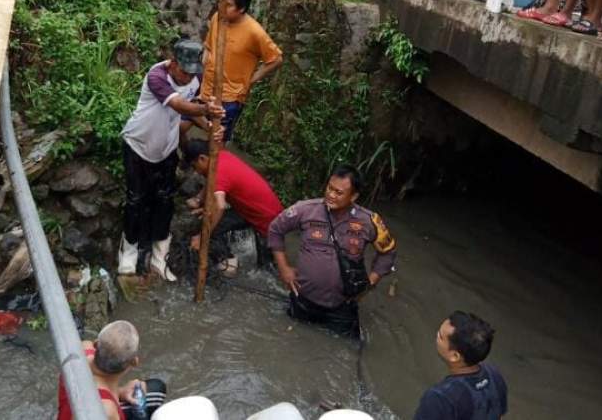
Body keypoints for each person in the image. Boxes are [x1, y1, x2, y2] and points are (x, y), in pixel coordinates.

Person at [119, 40, 223, 282]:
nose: (189, 78)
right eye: (185, 72)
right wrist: (207, 110)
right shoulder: (157, 76)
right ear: (174, 63)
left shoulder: (194, 80)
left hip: (166, 149)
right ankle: (129, 252)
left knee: (165, 201)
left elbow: (189, 110)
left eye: (193, 72)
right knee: (135, 200)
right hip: (138, 146)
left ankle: (159, 257)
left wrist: (209, 127)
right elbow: (178, 104)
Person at [268, 166, 397, 337]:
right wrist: (284, 268)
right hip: (303, 298)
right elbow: (275, 229)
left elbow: (388, 252)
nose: (331, 195)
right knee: (295, 338)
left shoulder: (369, 221)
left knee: (347, 348)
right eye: (329, 188)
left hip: (342, 307)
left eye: (339, 192)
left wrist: (370, 283)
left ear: (354, 196)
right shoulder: (305, 210)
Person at [183, 139, 283, 274]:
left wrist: (201, 237)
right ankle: (229, 259)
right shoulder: (221, 155)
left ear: (202, 158)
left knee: (267, 270)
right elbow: (212, 182)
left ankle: (228, 265)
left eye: (195, 166)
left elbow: (220, 207)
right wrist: (202, 202)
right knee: (215, 225)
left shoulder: (218, 173)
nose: (196, 172)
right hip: (261, 210)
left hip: (266, 220)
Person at [198, 0, 283, 141]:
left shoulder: (254, 32)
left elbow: (276, 59)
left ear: (241, 8)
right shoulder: (218, 17)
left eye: (228, 5)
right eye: (220, 3)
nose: (222, 8)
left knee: (216, 141)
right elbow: (209, 45)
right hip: (207, 88)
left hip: (230, 97)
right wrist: (206, 59)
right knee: (184, 124)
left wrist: (250, 80)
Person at [57, 321, 167, 420]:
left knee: (155, 387)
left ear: (96, 344)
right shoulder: (107, 411)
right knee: (153, 393)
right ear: (134, 362)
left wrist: (121, 392)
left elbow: (92, 390)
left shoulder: (81, 351)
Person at [412, 311, 508, 420]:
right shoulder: (494, 375)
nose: (436, 335)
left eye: (440, 336)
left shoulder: (439, 398)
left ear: (454, 356)